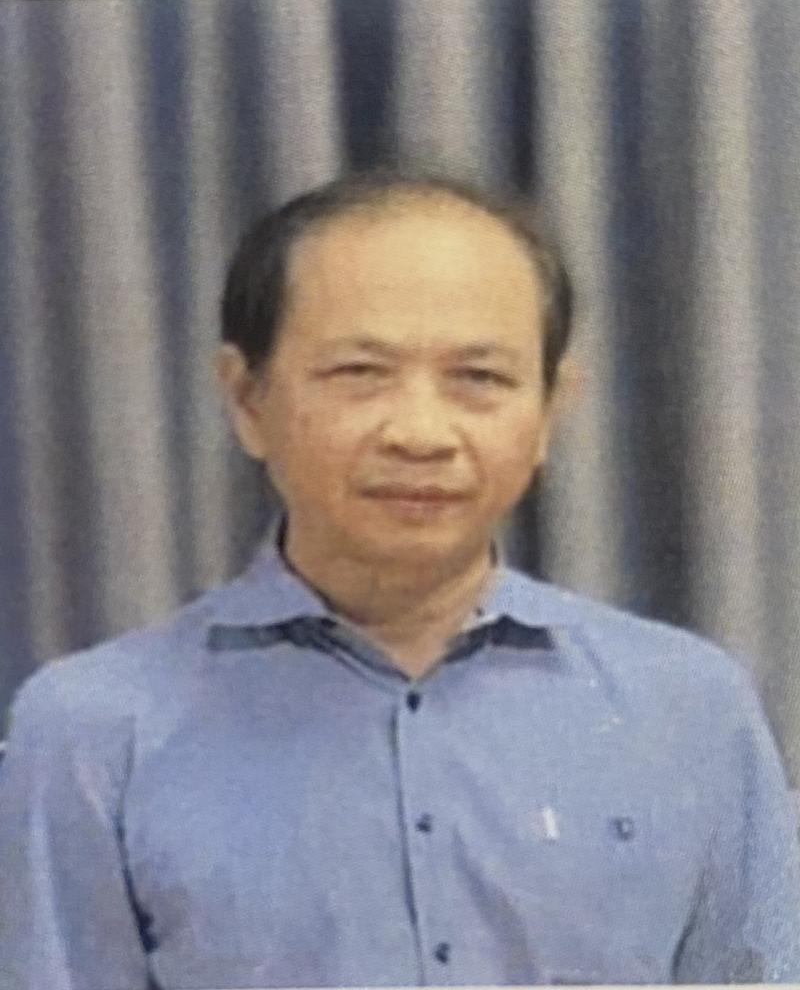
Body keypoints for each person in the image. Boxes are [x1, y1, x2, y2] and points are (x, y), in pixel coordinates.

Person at [1, 171, 799, 990]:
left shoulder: (691, 709)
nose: (421, 433)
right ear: (247, 399)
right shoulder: (93, 731)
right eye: (361, 372)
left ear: (550, 410)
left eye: (479, 378)